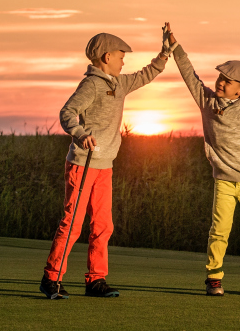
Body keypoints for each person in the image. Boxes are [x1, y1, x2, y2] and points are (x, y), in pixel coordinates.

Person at [39, 28, 171, 299]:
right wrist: (80, 134)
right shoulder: (91, 85)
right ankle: (51, 279)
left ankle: (96, 281)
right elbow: (67, 113)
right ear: (107, 56)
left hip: (105, 166)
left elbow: (146, 74)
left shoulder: (119, 83)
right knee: (72, 224)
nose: (124, 63)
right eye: (121, 57)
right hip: (82, 164)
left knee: (103, 225)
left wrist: (165, 53)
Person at [165, 24, 240, 297]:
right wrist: (174, 45)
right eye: (220, 77)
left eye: (227, 81)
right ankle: (214, 278)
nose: (220, 82)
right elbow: (189, 74)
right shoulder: (207, 101)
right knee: (218, 232)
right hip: (224, 181)